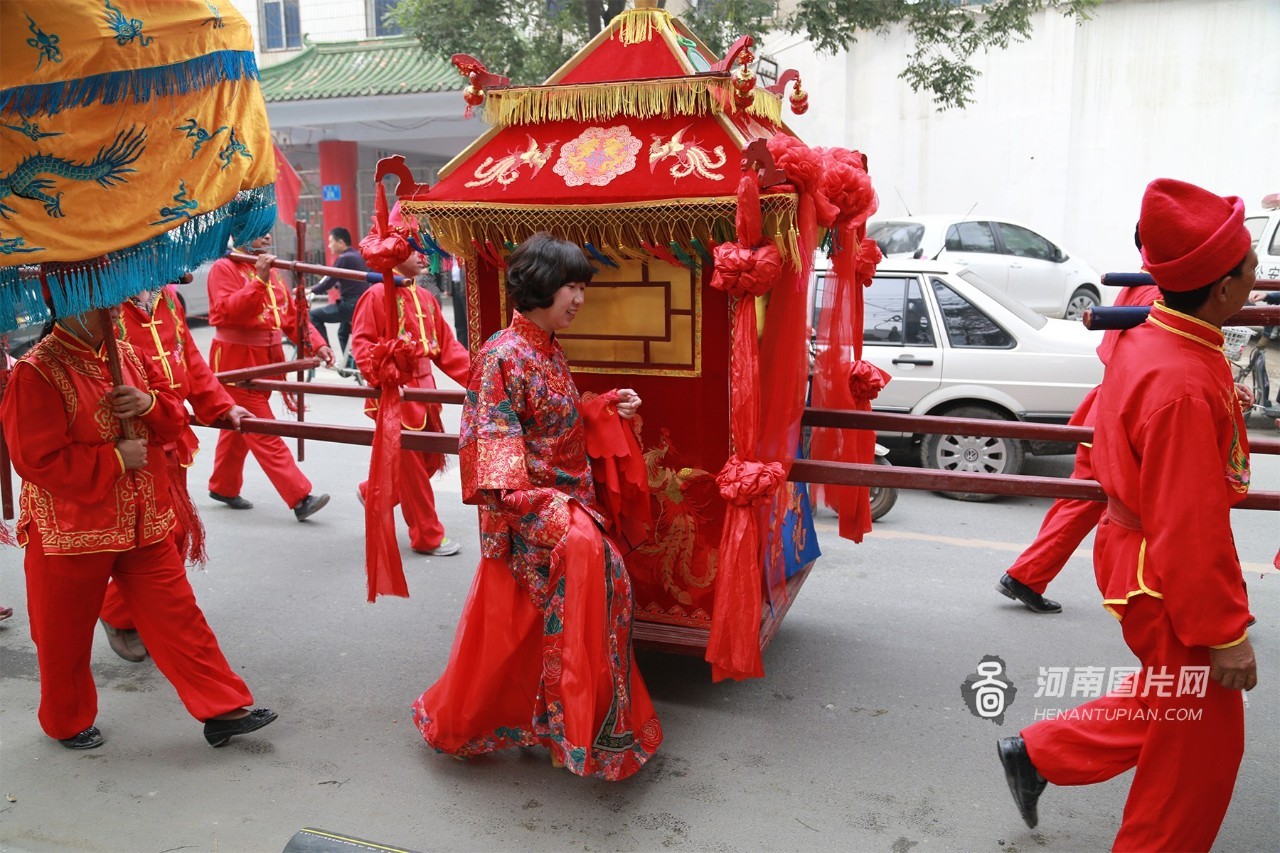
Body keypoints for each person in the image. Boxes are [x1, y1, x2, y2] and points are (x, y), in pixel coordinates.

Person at [997, 178, 1258, 851]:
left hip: (1138, 551)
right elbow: (1190, 526)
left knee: (1172, 704)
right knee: (1196, 756)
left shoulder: (1160, 334)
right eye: (1253, 265)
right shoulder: (1182, 384)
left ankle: (1040, 752)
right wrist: (1225, 631)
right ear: (1224, 288)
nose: (1260, 276)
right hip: (1161, 570)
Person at [411, 233, 661, 780]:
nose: (579, 298)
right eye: (572, 286)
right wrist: (551, 511)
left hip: (564, 504)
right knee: (577, 596)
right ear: (542, 286)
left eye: (581, 287)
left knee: (531, 633)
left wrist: (604, 405)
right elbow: (493, 463)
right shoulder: (500, 357)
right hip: (531, 514)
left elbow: (555, 426)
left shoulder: (545, 346)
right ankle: (570, 729)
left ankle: (559, 724)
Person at [0, 300, 277, 750]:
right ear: (71, 305)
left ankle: (223, 708)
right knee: (62, 635)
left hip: (143, 518)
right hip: (73, 531)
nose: (114, 308)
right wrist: (111, 458)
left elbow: (173, 417)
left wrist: (148, 404)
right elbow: (34, 460)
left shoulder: (125, 353)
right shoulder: (38, 371)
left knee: (179, 617)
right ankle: (66, 720)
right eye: (102, 300)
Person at [97, 282, 251, 663]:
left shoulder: (165, 297)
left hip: (170, 427)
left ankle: (142, 615)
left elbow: (189, 360)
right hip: (129, 436)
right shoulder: (105, 299)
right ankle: (117, 613)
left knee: (171, 533)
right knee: (155, 536)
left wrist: (221, 404)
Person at [997, 275, 1161, 614]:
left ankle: (1027, 575)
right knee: (1125, 500)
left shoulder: (1135, 283)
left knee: (1082, 498)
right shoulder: (1158, 290)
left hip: (1112, 401)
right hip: (1127, 406)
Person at [350, 250, 471, 556]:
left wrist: (482, 382)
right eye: (413, 249)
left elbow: (449, 350)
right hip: (395, 391)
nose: (423, 256)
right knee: (413, 471)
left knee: (429, 460)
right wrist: (383, 379)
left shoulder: (426, 297)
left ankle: (372, 492)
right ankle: (427, 535)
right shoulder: (377, 295)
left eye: (424, 250)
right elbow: (362, 343)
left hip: (426, 392)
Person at [206, 233, 332, 520]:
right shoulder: (224, 267)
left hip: (268, 358)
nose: (268, 236)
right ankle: (300, 497)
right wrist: (258, 281)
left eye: (268, 231)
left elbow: (290, 319)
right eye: (259, 231)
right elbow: (229, 312)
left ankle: (223, 486)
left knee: (240, 425)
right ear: (243, 232)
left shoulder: (272, 271)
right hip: (236, 360)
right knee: (263, 427)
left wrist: (318, 343)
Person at [308, 227, 369, 357]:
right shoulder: (357, 255)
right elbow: (349, 282)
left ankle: (327, 352)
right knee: (343, 332)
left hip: (350, 305)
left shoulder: (344, 258)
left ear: (340, 242)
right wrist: (336, 286)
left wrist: (310, 290)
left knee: (313, 316)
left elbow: (329, 280)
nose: (329, 246)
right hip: (361, 303)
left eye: (331, 242)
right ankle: (349, 365)